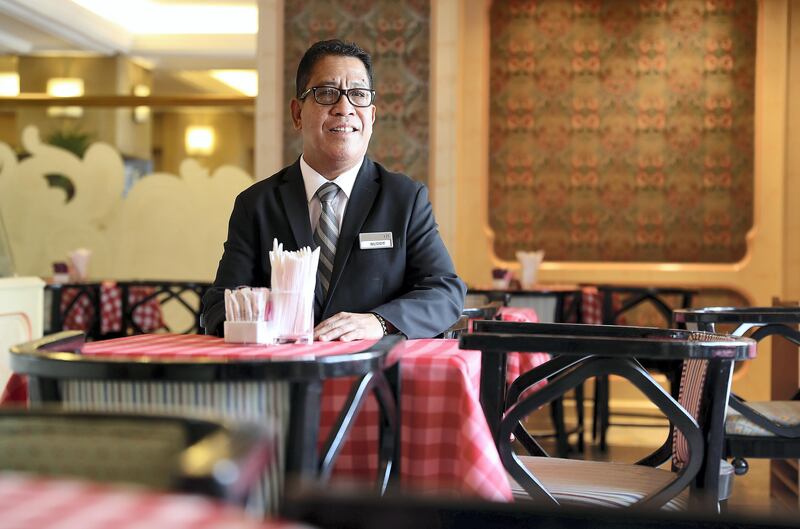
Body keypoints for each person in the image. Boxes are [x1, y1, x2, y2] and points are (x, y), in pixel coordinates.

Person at [202, 39, 465, 341]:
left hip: (374, 381)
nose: (345, 108)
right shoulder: (257, 204)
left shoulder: (405, 199)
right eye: (326, 93)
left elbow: (445, 292)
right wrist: (267, 321)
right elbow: (219, 303)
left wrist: (379, 322)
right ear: (297, 114)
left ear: (372, 116)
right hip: (283, 380)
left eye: (358, 94)